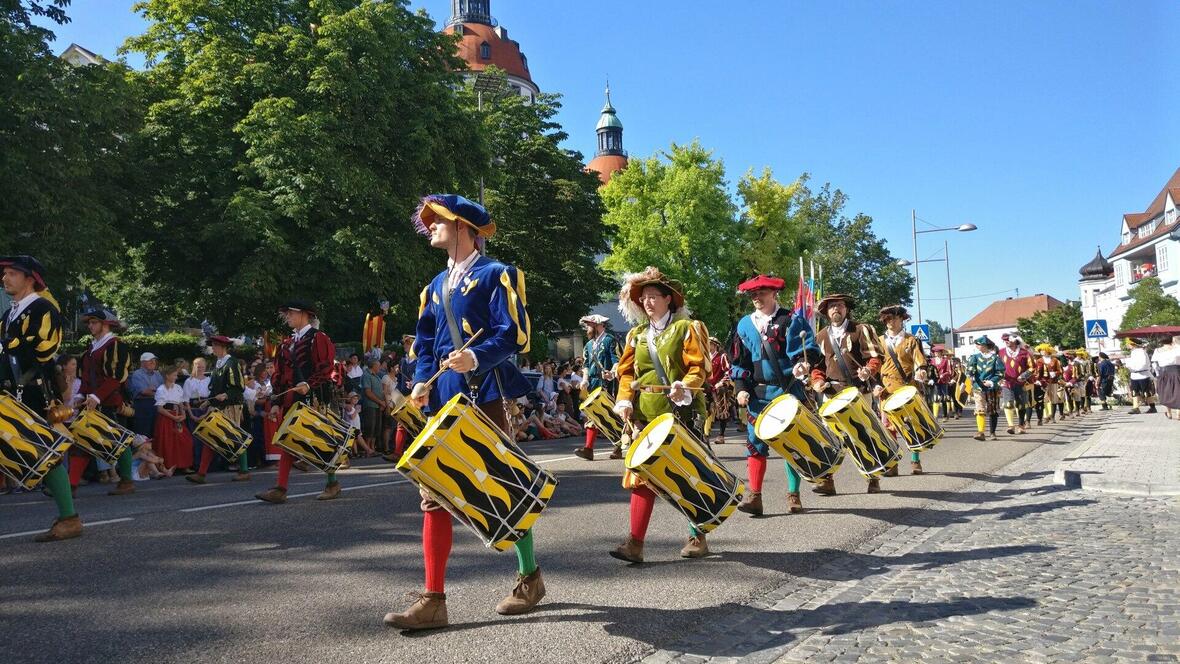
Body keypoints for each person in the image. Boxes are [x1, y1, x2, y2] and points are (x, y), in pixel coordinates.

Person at [386, 193, 541, 630]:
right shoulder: (434, 286)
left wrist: (476, 357)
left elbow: (514, 335)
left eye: (440, 221)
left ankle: (530, 577)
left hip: (481, 394)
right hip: (440, 400)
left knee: (504, 489)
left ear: (464, 229)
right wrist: (418, 380)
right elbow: (425, 341)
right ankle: (433, 600)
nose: (431, 226)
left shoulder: (498, 275)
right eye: (431, 220)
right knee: (433, 496)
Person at [608, 266, 712, 563]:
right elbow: (627, 373)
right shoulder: (636, 335)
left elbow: (700, 369)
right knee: (641, 476)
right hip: (645, 414)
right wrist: (625, 399)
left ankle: (698, 536)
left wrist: (685, 386)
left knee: (688, 475)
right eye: (644, 298)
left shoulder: (687, 328)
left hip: (682, 412)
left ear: (670, 299)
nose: (648, 302)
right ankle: (635, 543)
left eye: (654, 296)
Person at [0, 255, 84, 541]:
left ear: (30, 277)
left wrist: (7, 343)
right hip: (9, 391)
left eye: (11, 273)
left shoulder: (43, 308)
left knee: (44, 454)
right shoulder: (10, 313)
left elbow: (44, 349)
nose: (5, 278)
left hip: (34, 391)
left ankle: (69, 518)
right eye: (5, 274)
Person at [729, 274, 820, 516]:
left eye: (761, 293)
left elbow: (808, 349)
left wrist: (803, 363)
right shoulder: (744, 325)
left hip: (788, 389)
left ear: (774, 294)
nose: (756, 298)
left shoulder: (791, 320)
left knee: (792, 444)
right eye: (753, 294)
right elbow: (739, 362)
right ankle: (755, 496)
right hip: (758, 394)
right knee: (755, 444)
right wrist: (741, 389)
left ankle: (793, 495)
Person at [255, 300, 341, 503]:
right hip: (291, 399)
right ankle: (280, 489)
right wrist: (276, 399)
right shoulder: (286, 343)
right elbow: (279, 373)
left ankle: (332, 483)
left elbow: (326, 367)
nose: (287, 317)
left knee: (321, 441)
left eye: (290, 313)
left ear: (304, 314)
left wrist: (309, 385)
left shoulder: (318, 338)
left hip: (314, 397)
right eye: (286, 314)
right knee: (288, 440)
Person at [808, 293, 886, 494]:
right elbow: (817, 366)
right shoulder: (821, 336)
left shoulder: (861, 329)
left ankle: (873, 476)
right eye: (832, 306)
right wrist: (817, 381)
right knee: (830, 439)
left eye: (840, 306)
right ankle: (827, 480)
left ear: (846, 309)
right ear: (826, 312)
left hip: (858, 390)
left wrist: (869, 370)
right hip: (831, 393)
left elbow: (875, 356)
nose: (836, 309)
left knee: (864, 434)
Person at [72, 306, 135, 495]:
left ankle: (126, 481)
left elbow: (117, 377)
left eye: (94, 322)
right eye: (89, 323)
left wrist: (97, 396)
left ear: (105, 324)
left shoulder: (115, 344)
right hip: (91, 402)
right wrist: (80, 395)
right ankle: (71, 484)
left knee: (118, 442)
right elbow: (86, 377)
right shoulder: (91, 348)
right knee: (81, 440)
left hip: (109, 402)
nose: (90, 326)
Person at [187, 335, 250, 483]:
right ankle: (201, 473)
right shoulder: (218, 363)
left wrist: (227, 395)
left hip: (231, 405)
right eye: (212, 345)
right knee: (211, 437)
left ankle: (244, 470)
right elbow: (215, 389)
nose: (212, 348)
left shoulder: (232, 363)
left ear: (223, 347)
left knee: (235, 436)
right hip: (218, 406)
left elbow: (239, 387)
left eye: (215, 345)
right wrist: (208, 402)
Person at [876, 305, 929, 474]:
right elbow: (874, 365)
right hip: (887, 389)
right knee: (888, 427)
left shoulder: (911, 340)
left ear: (902, 319)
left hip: (906, 387)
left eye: (894, 318)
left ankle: (915, 461)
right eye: (887, 319)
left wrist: (921, 370)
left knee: (911, 425)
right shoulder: (879, 341)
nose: (890, 322)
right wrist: (875, 384)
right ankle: (892, 463)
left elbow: (919, 360)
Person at [574, 313, 621, 460]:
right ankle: (588, 449)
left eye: (589, 325)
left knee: (611, 414)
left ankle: (618, 447)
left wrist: (612, 373)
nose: (587, 328)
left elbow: (617, 359)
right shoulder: (588, 344)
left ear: (599, 325)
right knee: (592, 413)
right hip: (593, 383)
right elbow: (586, 364)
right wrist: (585, 380)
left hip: (608, 382)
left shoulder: (609, 340)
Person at [153, 363, 193, 472]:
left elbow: (180, 403)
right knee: (168, 442)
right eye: (174, 375)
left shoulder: (178, 387)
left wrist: (183, 415)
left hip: (178, 417)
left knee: (185, 440)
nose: (176, 377)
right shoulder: (161, 389)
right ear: (167, 376)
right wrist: (173, 417)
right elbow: (160, 408)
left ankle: (184, 465)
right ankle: (169, 466)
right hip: (166, 418)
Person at [967, 336, 1003, 441]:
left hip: (992, 387)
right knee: (979, 409)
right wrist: (971, 374)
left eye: (978, 344)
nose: (977, 346)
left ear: (984, 346)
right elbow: (970, 368)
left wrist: (992, 381)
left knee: (993, 410)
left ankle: (992, 432)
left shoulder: (995, 358)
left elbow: (1000, 372)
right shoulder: (975, 357)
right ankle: (981, 432)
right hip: (978, 387)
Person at [998, 333, 1035, 435]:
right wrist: (998, 378)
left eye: (1008, 339)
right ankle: (1011, 425)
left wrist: (1024, 375)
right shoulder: (1001, 352)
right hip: (1007, 382)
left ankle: (1021, 425)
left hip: (1021, 382)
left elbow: (1032, 367)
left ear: (1015, 340)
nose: (1006, 341)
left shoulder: (1024, 353)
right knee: (1008, 403)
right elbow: (996, 366)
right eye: (1005, 340)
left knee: (1021, 405)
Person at [705, 336, 735, 446]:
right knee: (704, 409)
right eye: (707, 343)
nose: (708, 346)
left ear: (715, 345)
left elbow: (728, 372)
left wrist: (721, 383)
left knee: (722, 410)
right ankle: (704, 433)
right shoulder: (704, 357)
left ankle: (721, 435)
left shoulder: (722, 357)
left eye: (710, 344)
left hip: (719, 388)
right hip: (706, 387)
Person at [128, 352, 163, 437]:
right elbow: (144, 392)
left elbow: (163, 390)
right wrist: (156, 390)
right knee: (143, 434)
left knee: (156, 432)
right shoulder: (137, 374)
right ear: (142, 362)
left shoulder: (157, 374)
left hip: (157, 406)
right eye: (150, 360)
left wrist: (153, 390)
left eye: (154, 360)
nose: (153, 362)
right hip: (143, 406)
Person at [1033, 343, 1065, 422]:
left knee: (1053, 399)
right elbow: (1035, 372)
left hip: (1053, 382)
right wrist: (1036, 380)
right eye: (1041, 351)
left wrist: (1055, 373)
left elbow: (1060, 370)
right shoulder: (1039, 361)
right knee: (1044, 399)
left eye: (1043, 350)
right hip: (1042, 382)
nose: (1042, 352)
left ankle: (1053, 416)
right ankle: (1046, 416)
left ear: (1047, 351)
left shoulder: (1055, 360)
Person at [358, 358, 384, 456]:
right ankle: (367, 448)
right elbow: (368, 392)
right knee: (370, 427)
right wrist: (380, 402)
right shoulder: (366, 375)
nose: (380, 367)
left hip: (378, 405)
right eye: (378, 365)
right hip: (370, 405)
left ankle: (373, 447)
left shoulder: (377, 376)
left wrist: (382, 403)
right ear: (373, 366)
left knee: (377, 427)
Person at [1125, 339, 1157, 414]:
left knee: (1147, 392)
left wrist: (1134, 368)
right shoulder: (1133, 353)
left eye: (1128, 344)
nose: (1127, 345)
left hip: (1143, 375)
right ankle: (1136, 408)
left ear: (1133, 344)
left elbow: (1143, 364)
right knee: (1134, 392)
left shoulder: (1142, 352)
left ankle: (1152, 407)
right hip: (1134, 375)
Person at [1154, 335, 1180, 418]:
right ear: (1171, 340)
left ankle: (1169, 412)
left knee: (1165, 392)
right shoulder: (1177, 349)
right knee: (1178, 392)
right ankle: (1178, 413)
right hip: (1176, 371)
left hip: (1163, 372)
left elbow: (1155, 363)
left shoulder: (1157, 350)